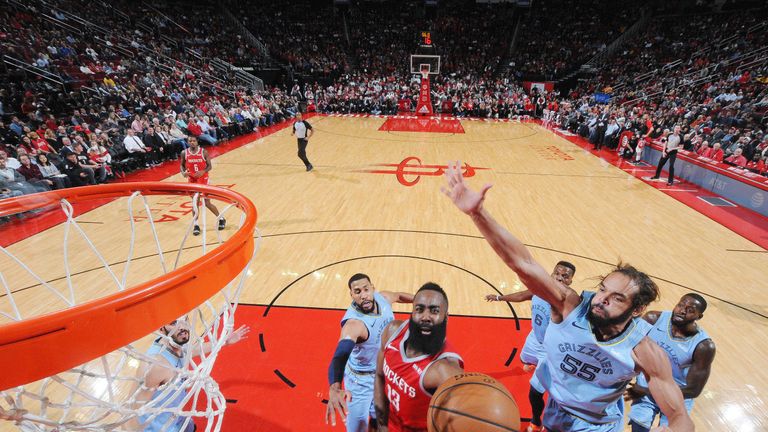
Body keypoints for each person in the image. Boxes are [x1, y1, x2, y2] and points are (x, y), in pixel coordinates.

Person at [441, 161, 694, 432]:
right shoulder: (570, 305)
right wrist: (478, 214)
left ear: (637, 309)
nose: (602, 299)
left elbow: (679, 415)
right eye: (603, 289)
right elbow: (523, 263)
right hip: (557, 408)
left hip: (597, 424)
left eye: (618, 298)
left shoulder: (643, 350)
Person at [484, 261, 576, 432]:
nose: (560, 278)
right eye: (558, 273)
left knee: (535, 392)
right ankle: (536, 366)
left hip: (550, 350)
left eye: (565, 276)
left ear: (570, 281)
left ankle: (536, 422)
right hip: (535, 337)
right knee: (524, 360)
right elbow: (521, 296)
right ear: (552, 273)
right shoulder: (539, 289)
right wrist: (499, 297)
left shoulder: (568, 300)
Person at [325, 274, 415, 431]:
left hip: (383, 373)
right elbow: (340, 356)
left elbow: (399, 296)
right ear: (352, 295)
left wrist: (419, 301)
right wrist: (334, 386)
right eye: (357, 291)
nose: (363, 295)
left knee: (380, 416)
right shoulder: (354, 324)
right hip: (361, 382)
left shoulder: (383, 298)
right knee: (358, 425)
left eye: (366, 289)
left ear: (373, 288)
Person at [374, 283, 464, 432]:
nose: (425, 317)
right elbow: (379, 376)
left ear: (446, 317)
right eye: (419, 309)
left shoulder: (445, 369)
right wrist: (382, 425)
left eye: (434, 311)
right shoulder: (392, 331)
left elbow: (466, 418)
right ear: (412, 312)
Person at [134, 319, 249, 431]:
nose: (182, 327)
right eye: (174, 323)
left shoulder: (173, 344)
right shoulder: (156, 364)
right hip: (158, 427)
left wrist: (224, 341)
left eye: (185, 320)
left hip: (175, 416)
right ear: (161, 329)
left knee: (190, 427)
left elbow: (193, 350)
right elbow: (133, 408)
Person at [627, 294, 715, 432]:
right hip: (647, 386)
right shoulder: (653, 319)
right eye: (681, 305)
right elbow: (629, 347)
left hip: (678, 394)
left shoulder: (703, 346)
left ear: (699, 316)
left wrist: (647, 391)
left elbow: (693, 390)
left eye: (690, 310)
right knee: (639, 427)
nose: (682, 311)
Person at [179, 136, 225, 236]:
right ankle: (196, 225)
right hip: (192, 180)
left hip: (204, 180)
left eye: (194, 141)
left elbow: (210, 166)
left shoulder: (203, 152)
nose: (192, 142)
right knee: (195, 203)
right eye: (190, 141)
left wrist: (203, 171)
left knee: (207, 203)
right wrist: (183, 173)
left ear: (197, 142)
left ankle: (221, 218)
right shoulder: (184, 153)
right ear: (187, 142)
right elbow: (182, 165)